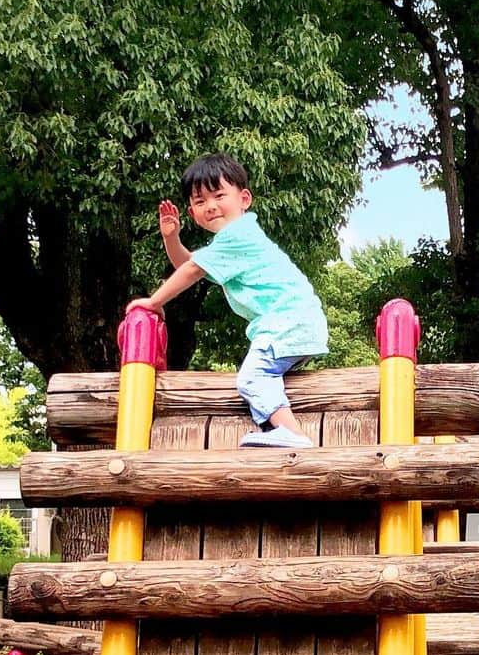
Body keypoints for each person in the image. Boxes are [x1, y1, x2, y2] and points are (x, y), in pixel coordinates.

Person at [126, 153, 328, 448]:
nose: (210, 206)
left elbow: (192, 270)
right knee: (260, 377)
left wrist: (154, 302)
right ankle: (277, 431)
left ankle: (293, 434)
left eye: (219, 195)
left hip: (288, 322)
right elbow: (190, 262)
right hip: (294, 322)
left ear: (244, 199)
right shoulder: (231, 242)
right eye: (199, 201)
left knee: (251, 378)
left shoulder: (238, 235)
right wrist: (171, 238)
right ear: (192, 212)